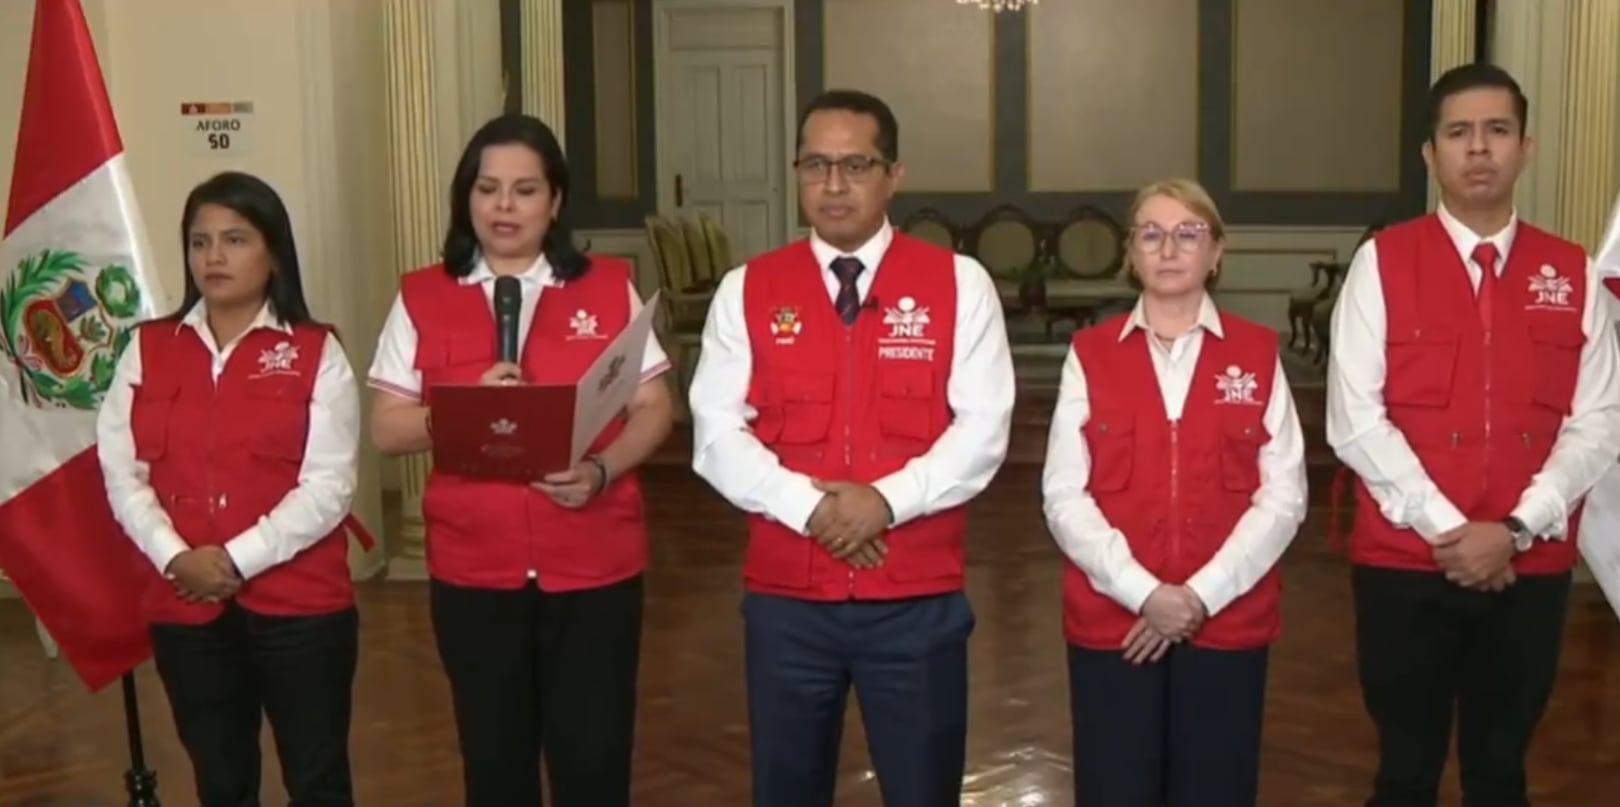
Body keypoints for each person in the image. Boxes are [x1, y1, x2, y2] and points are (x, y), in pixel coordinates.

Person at [688, 88, 1015, 807]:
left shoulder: (959, 285)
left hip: (916, 599)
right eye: (816, 165)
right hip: (787, 602)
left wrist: (885, 503)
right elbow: (715, 432)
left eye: (856, 165)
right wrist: (814, 511)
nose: (834, 186)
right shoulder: (748, 289)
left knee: (923, 790)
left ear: (894, 173)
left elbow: (984, 428)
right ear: (796, 171)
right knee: (786, 789)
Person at [1326, 63, 1620, 805]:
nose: (1479, 148)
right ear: (1431, 154)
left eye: (1497, 130)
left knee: (1500, 771)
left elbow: (1599, 419)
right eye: (1459, 132)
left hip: (1531, 567)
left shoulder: (1573, 272)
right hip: (1405, 565)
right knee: (1404, 771)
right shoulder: (1382, 262)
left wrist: (1515, 529)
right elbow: (1355, 419)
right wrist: (1454, 531)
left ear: (1527, 146)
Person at [367, 112, 674, 807]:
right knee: (495, 760)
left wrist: (601, 470)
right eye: (488, 188)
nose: (504, 207)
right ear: (465, 198)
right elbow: (386, 429)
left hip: (594, 561)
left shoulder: (606, 285)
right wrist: (454, 410)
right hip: (476, 569)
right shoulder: (422, 295)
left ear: (556, 201)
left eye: (525, 190)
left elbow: (654, 408)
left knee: (593, 759)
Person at [96, 170, 369, 807]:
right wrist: (174, 557)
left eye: (235, 239)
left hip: (302, 609)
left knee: (318, 777)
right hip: (183, 602)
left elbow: (328, 485)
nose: (214, 257)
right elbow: (121, 469)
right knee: (220, 779)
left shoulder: (315, 351)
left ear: (273, 254)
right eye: (200, 242)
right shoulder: (147, 349)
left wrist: (235, 561)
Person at [1042, 178, 1307, 806]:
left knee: (1214, 788)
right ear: (1131, 253)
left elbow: (1285, 494)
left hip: (1227, 621)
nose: (1169, 249)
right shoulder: (1089, 354)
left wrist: (1197, 598)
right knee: (1116, 788)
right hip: (1115, 623)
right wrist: (1145, 594)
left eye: (1189, 233)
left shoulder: (1258, 352)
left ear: (1216, 252)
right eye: (1151, 234)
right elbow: (1063, 495)